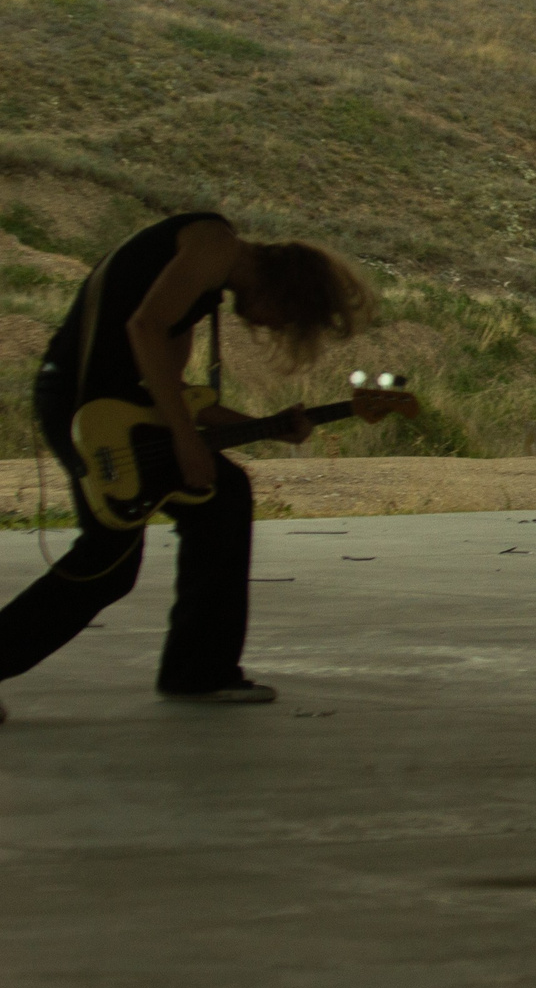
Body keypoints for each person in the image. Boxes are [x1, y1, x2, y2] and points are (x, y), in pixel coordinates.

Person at [1, 212, 375, 723]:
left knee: (223, 497)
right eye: (285, 317)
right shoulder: (214, 243)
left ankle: (200, 672)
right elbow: (143, 327)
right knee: (108, 562)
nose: (269, 327)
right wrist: (185, 440)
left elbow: (171, 390)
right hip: (86, 407)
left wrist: (263, 426)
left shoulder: (205, 291)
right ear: (284, 288)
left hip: (113, 407)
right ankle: (197, 671)